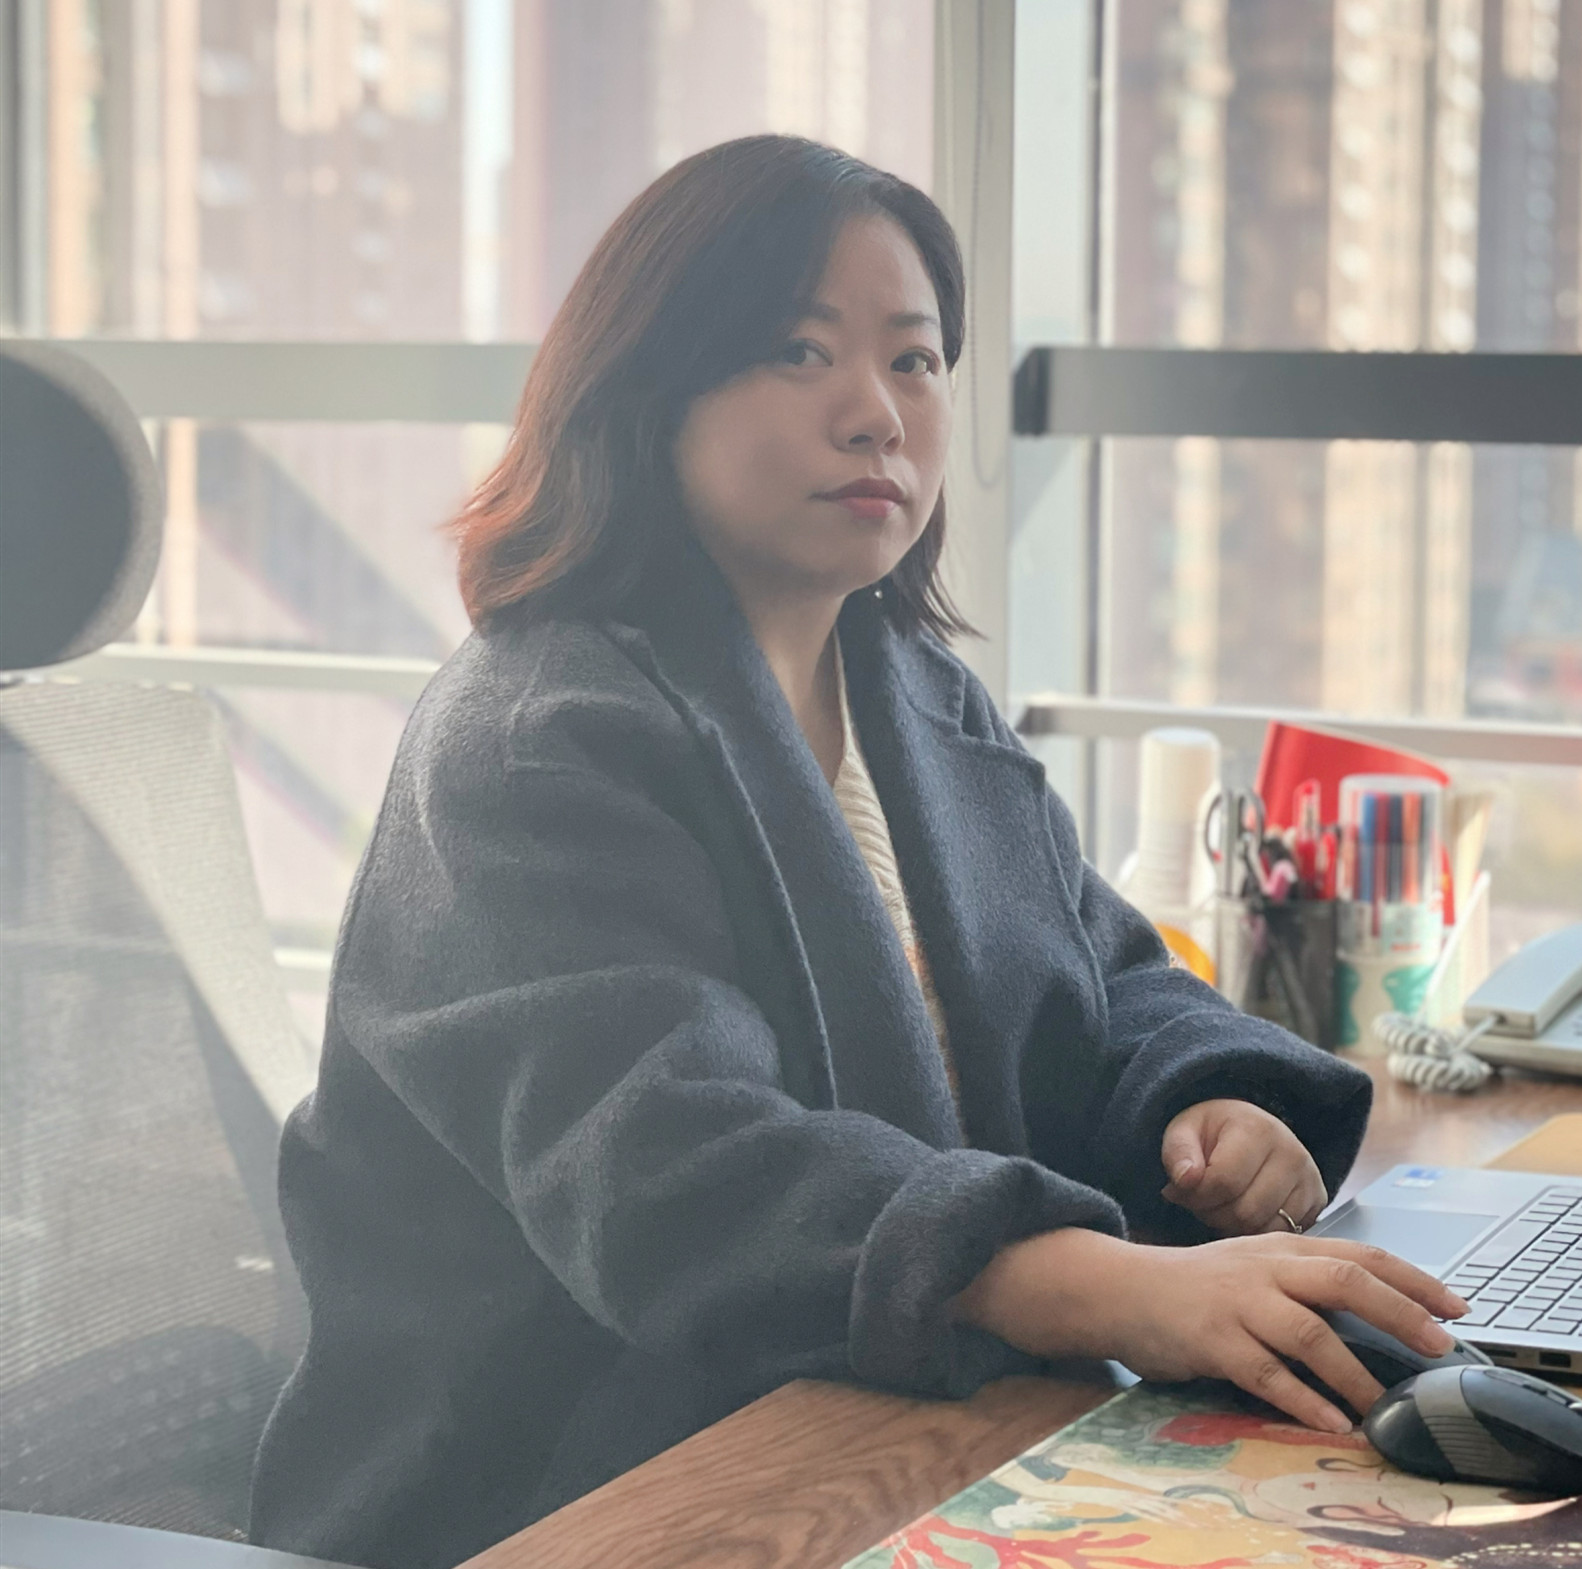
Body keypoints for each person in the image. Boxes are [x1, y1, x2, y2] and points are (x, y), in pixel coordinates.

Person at [248, 135, 1466, 1569]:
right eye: (798, 350)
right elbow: (675, 1170)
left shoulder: (914, 697)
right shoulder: (534, 740)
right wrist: (1109, 1288)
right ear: (645, 388)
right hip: (570, 1486)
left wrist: (1214, 1106)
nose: (876, 414)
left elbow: (1101, 978)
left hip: (887, 1428)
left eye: (914, 360)